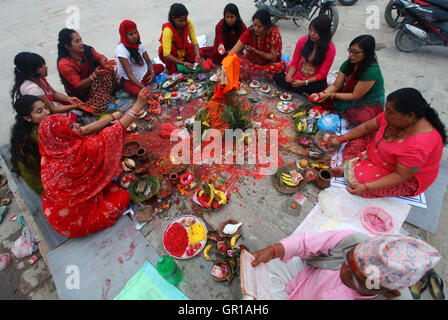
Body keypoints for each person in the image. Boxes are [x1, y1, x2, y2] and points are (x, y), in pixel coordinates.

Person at [38, 88, 152, 238]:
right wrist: (137, 106)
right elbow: (113, 132)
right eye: (71, 127)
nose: (77, 125)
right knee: (123, 196)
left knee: (110, 178)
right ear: (64, 136)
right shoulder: (79, 153)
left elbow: (85, 130)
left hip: (61, 207)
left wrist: (112, 116)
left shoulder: (51, 151)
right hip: (72, 221)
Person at [251, 230, 441, 300]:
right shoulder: (354, 240)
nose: (344, 270)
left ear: (388, 293)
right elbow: (306, 243)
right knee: (258, 271)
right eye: (349, 261)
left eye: (357, 278)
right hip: (303, 277)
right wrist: (275, 250)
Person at [330, 88, 446, 198]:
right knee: (356, 139)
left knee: (361, 182)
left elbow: (400, 176)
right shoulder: (395, 117)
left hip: (402, 175)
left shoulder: (420, 145)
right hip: (381, 153)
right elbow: (366, 127)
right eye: (387, 110)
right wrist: (340, 139)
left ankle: (351, 169)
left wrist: (365, 187)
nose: (385, 115)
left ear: (410, 116)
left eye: (390, 112)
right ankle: (346, 165)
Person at [315, 35, 384, 127]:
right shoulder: (349, 63)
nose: (351, 55)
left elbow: (355, 95)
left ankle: (346, 117)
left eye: (355, 52)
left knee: (361, 118)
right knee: (323, 99)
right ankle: (344, 115)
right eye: (350, 51)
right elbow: (336, 86)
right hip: (349, 95)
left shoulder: (372, 71)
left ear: (367, 53)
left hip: (368, 102)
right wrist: (322, 94)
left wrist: (331, 95)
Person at [57, 28, 119, 115]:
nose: (81, 43)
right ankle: (95, 103)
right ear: (67, 46)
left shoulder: (87, 50)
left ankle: (106, 96)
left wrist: (103, 62)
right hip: (83, 95)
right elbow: (79, 86)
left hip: (94, 84)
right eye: (77, 41)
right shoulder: (64, 64)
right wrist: (94, 75)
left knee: (108, 70)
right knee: (97, 108)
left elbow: (100, 57)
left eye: (80, 39)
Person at [11, 52, 83, 121]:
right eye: (41, 67)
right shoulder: (33, 89)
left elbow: (54, 94)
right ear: (31, 72)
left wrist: (68, 99)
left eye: (44, 65)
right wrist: (75, 106)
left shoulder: (39, 78)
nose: (46, 67)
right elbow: (53, 109)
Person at [273, 15, 335, 95]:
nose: (312, 34)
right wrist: (289, 77)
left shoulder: (330, 50)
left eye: (316, 32)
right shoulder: (303, 41)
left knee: (319, 90)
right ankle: (302, 92)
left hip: (313, 80)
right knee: (279, 78)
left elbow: (322, 74)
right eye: (311, 30)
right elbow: (294, 63)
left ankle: (302, 91)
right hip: (299, 75)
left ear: (324, 34)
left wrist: (304, 82)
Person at [10, 96, 50, 194]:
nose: (47, 112)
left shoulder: (39, 127)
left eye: (46, 107)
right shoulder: (35, 136)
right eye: (39, 111)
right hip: (44, 184)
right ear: (28, 118)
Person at [230, 9, 284, 79]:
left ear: (266, 26)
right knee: (235, 61)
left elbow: (274, 57)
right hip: (251, 63)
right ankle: (263, 75)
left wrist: (256, 51)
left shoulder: (274, 33)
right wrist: (225, 66)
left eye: (259, 26)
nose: (255, 28)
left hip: (268, 64)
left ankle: (256, 74)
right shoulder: (248, 33)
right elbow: (233, 52)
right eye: (254, 25)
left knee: (279, 67)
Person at [116, 20, 164, 97]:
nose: (135, 36)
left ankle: (144, 82)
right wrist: (143, 87)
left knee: (160, 67)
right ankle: (142, 84)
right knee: (140, 92)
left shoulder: (138, 43)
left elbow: (148, 61)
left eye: (136, 32)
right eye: (131, 34)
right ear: (124, 35)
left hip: (142, 70)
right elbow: (129, 74)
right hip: (129, 79)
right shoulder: (121, 51)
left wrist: (152, 73)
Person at [158, 3, 201, 74]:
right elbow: (167, 55)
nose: (184, 23)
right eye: (180, 21)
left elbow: (194, 41)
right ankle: (177, 66)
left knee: (197, 52)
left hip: (183, 48)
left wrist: (197, 55)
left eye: (185, 19)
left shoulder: (188, 23)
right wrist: (184, 63)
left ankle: (184, 63)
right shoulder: (167, 30)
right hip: (172, 54)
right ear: (173, 18)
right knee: (171, 51)